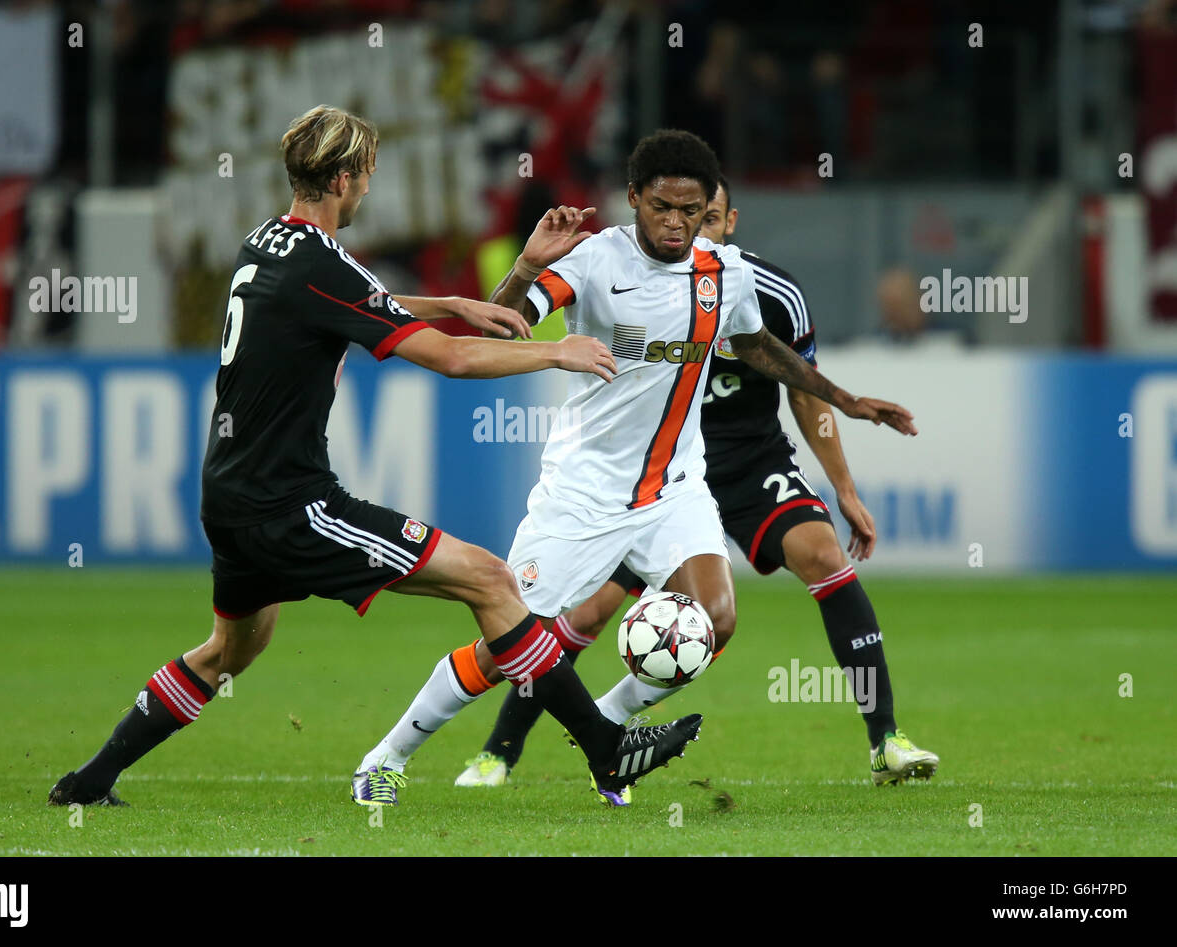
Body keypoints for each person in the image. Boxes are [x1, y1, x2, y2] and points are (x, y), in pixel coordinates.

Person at [47, 105, 703, 811]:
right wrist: (554, 349)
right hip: (290, 503)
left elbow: (351, 299)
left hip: (230, 493)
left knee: (228, 653)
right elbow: (446, 358)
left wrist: (455, 298)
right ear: (341, 177)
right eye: (365, 176)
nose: (368, 190)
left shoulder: (267, 243)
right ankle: (609, 750)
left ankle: (87, 781)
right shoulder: (317, 261)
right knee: (488, 578)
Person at [355, 129, 918, 806]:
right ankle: (386, 757)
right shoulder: (593, 260)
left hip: (674, 492)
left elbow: (758, 345)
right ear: (632, 199)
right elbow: (497, 328)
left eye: (691, 208)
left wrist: (846, 400)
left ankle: (608, 733)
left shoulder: (724, 272)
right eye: (661, 207)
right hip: (581, 496)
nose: (677, 222)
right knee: (510, 645)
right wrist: (529, 267)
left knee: (714, 619)